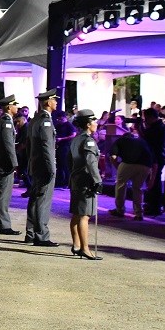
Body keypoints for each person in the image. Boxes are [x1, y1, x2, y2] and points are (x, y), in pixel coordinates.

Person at [25, 89, 60, 247]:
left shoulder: (35, 119)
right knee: (43, 201)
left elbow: (29, 145)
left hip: (36, 164)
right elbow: (47, 146)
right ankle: (41, 235)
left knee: (35, 199)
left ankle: (31, 232)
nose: (56, 102)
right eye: (54, 100)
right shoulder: (45, 120)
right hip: (44, 166)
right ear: (48, 102)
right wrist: (51, 167)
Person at [68, 109, 103, 260]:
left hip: (76, 178)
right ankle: (85, 248)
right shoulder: (89, 140)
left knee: (77, 213)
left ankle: (76, 245)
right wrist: (97, 180)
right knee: (84, 216)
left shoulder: (76, 139)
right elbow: (91, 162)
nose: (96, 124)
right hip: (86, 180)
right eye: (94, 121)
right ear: (88, 124)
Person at [0, 95, 21, 235]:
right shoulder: (7, 122)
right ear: (9, 107)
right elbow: (9, 145)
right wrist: (14, 163)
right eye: (15, 105)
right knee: (3, 195)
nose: (17, 107)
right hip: (5, 163)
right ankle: (3, 225)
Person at [108, 131, 153, 220]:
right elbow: (153, 159)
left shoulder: (120, 140)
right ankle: (139, 214)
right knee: (138, 188)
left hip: (128, 163)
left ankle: (120, 210)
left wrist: (118, 167)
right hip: (146, 166)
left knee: (120, 185)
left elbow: (113, 156)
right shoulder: (142, 141)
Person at [138, 107, 165, 216]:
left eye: (146, 117)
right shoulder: (157, 126)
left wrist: (141, 128)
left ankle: (154, 207)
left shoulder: (158, 127)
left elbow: (148, 139)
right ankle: (150, 205)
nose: (145, 120)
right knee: (152, 181)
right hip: (155, 156)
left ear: (151, 117)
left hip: (156, 157)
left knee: (154, 182)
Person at [54, 111, 76, 188]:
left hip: (66, 147)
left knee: (65, 165)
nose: (59, 121)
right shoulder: (58, 125)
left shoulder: (69, 125)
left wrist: (62, 139)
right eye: (58, 119)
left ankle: (68, 182)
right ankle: (59, 181)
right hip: (58, 147)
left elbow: (73, 135)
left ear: (64, 117)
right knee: (59, 165)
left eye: (60, 119)